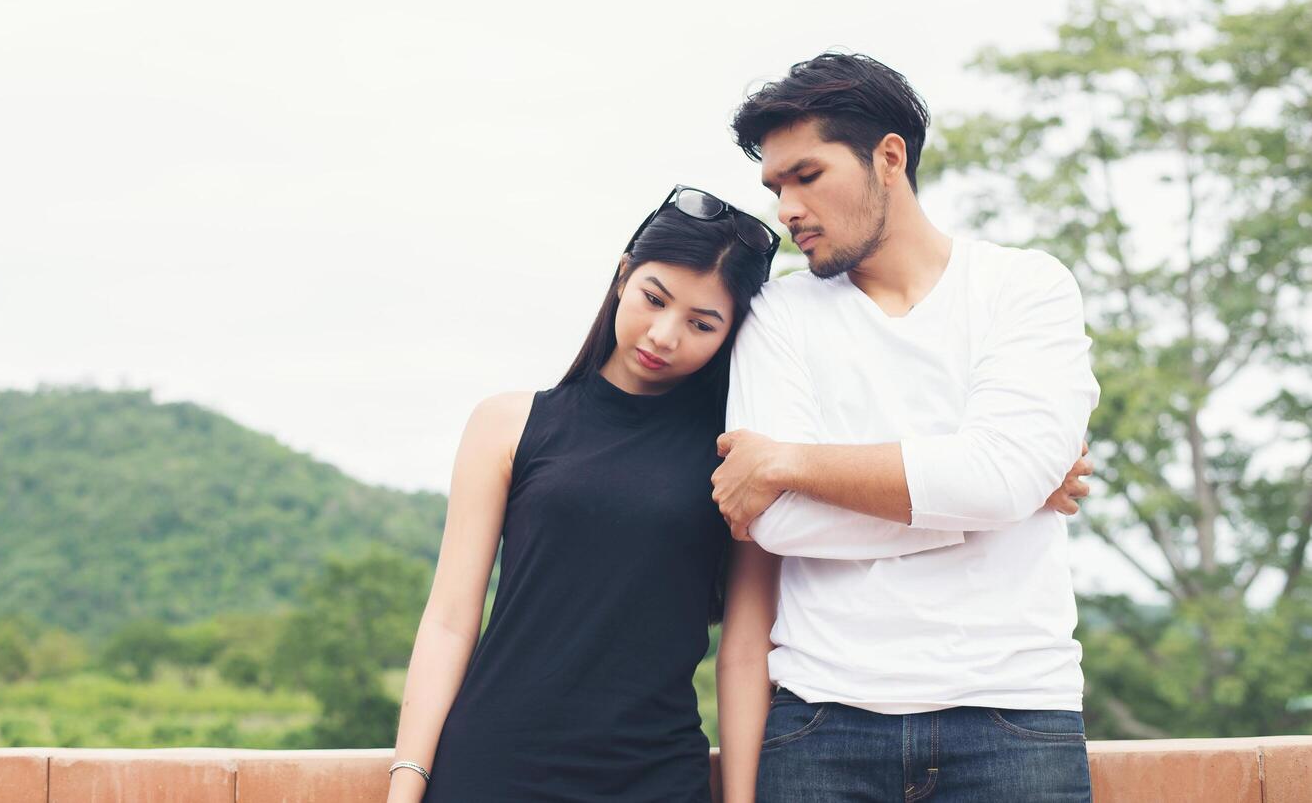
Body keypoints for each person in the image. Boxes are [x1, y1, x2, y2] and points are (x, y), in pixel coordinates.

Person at [387, 179, 1092, 803]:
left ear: (730, 335)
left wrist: (1013, 477)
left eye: (702, 324)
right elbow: (451, 618)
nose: (664, 335)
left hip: (653, 773)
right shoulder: (507, 424)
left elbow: (745, 645)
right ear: (622, 277)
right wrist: (408, 778)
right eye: (652, 298)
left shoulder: (737, 456)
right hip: (492, 764)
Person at [713, 52, 1101, 802]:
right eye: (775, 186)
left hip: (1014, 711)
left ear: (888, 157)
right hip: (821, 719)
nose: (785, 208)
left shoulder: (1025, 288)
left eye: (806, 175)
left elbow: (994, 480)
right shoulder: (779, 313)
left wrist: (790, 461)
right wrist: (997, 497)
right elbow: (779, 524)